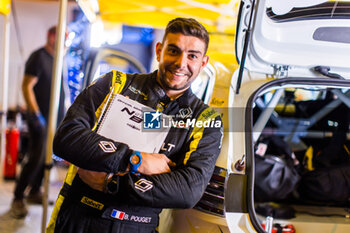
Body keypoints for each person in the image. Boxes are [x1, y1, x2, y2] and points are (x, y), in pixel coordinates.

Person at [47, 18, 223, 233]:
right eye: (174, 51)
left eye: (192, 56)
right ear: (159, 51)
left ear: (203, 63)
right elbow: (66, 140)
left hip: (137, 227)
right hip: (77, 219)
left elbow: (188, 190)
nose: (181, 63)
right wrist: (134, 159)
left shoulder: (204, 119)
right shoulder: (115, 84)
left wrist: (111, 182)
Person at [9, 26, 66, 219]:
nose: (64, 41)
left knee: (46, 158)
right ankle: (18, 197)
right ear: (51, 36)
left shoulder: (56, 59)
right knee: (35, 157)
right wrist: (36, 115)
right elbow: (26, 86)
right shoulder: (38, 57)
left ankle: (34, 192)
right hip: (40, 120)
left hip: (53, 120)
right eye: (61, 37)